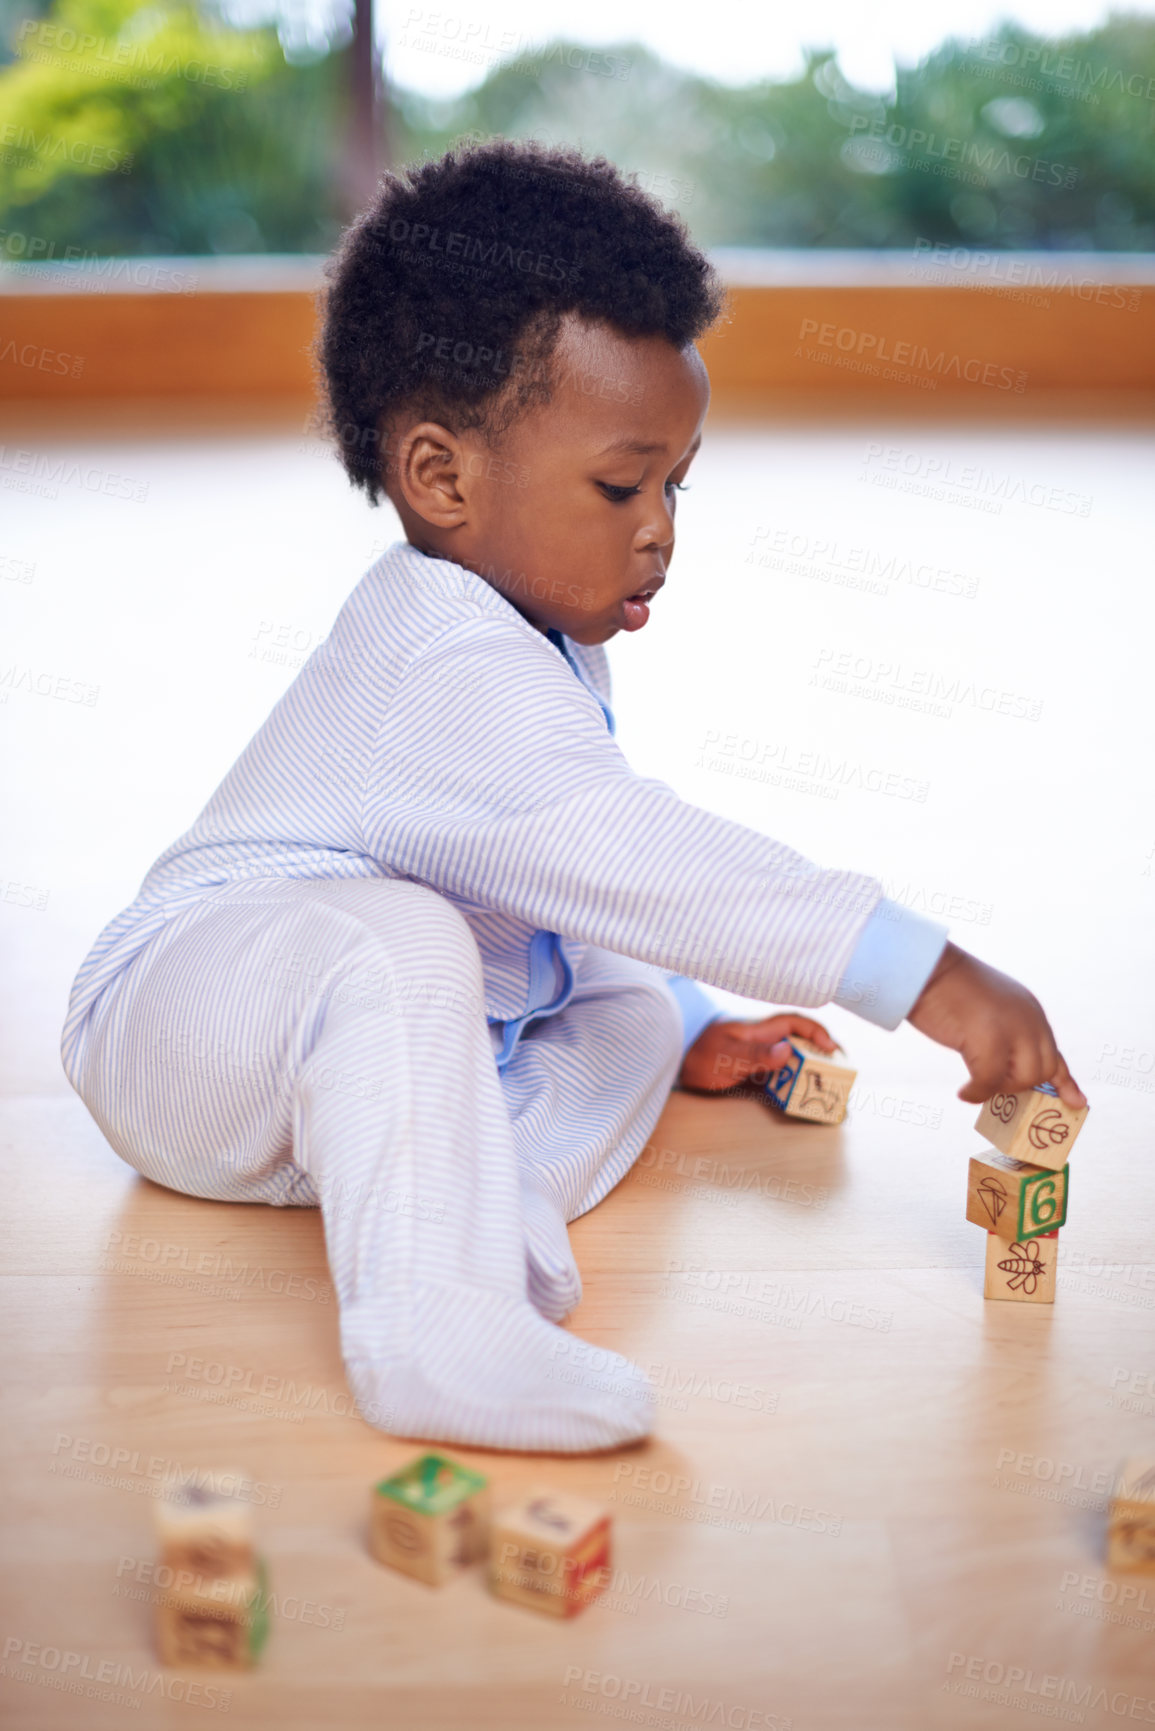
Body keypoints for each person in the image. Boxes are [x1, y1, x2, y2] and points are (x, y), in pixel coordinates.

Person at [60, 138, 1086, 1455]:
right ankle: (431, 1331)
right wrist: (924, 971)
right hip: (184, 1024)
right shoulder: (434, 653)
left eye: (676, 484)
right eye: (620, 486)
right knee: (405, 939)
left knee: (625, 1010)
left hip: (355, 1067)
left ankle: (480, 1211)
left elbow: (564, 874)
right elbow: (625, 851)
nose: (661, 527)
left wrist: (686, 1018)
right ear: (442, 479)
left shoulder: (544, 630)